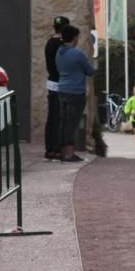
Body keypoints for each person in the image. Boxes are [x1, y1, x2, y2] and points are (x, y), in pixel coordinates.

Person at [56, 25, 96, 162]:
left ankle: (61, 152)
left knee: (63, 122)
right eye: (77, 37)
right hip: (75, 92)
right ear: (74, 38)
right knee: (72, 123)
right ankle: (69, 153)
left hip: (61, 90)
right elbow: (90, 71)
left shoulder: (59, 52)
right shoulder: (77, 53)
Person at [44, 15, 69, 161]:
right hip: (62, 83)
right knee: (60, 117)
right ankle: (58, 148)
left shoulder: (49, 43)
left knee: (52, 116)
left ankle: (50, 149)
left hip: (52, 81)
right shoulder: (62, 45)